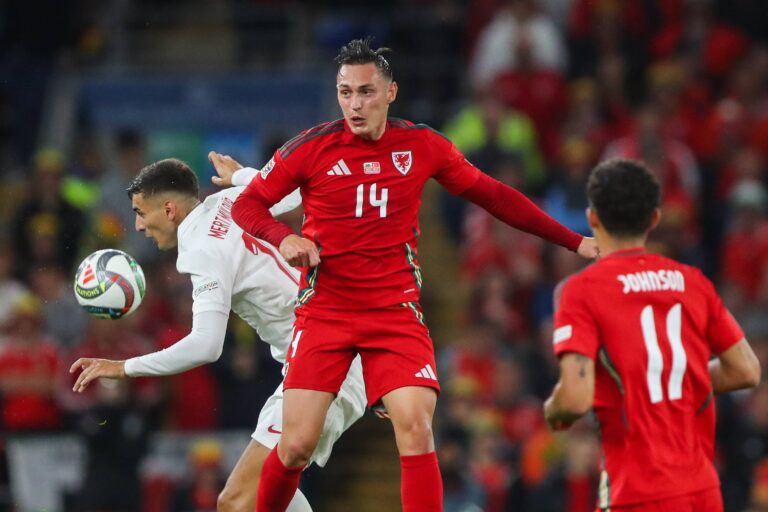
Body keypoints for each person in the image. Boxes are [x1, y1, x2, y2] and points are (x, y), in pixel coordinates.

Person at [221, 36, 598, 512]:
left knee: (417, 427)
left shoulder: (422, 145)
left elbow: (494, 195)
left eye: (366, 92)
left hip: (393, 312)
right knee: (295, 444)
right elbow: (249, 204)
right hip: (326, 311)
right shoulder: (311, 148)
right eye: (346, 93)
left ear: (390, 92)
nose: (355, 104)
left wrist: (574, 240)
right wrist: (285, 238)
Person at [69, 158, 368, 512]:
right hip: (326, 355)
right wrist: (243, 176)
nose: (137, 226)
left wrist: (124, 368)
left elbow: (206, 345)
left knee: (236, 500)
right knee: (263, 494)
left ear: (168, 209)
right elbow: (295, 195)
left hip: (326, 364)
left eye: (140, 212)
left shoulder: (201, 250)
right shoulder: (232, 199)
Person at [544, 158, 761, 511]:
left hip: (638, 490)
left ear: (592, 218)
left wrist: (553, 411)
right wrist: (673, 386)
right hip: (702, 490)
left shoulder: (581, 290)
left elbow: (574, 398)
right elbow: (746, 370)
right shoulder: (693, 282)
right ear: (654, 219)